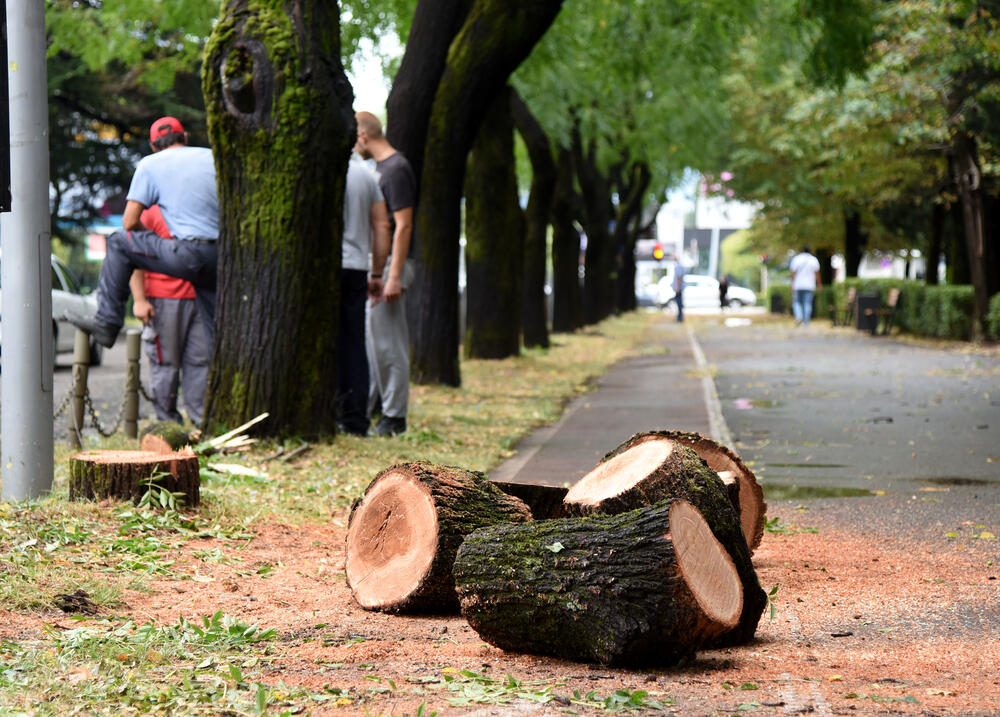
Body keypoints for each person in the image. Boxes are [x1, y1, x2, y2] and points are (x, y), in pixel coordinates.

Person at [66, 116, 219, 348]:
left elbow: (129, 222)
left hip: (189, 254)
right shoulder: (211, 158)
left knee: (118, 242)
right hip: (223, 257)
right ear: (185, 137)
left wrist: (151, 239)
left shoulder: (151, 164)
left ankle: (107, 323)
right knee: (215, 333)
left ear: (153, 146)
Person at [354, 111, 416, 437]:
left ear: (364, 136)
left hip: (393, 264)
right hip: (382, 264)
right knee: (375, 342)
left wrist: (393, 275)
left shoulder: (395, 169)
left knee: (390, 343)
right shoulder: (379, 169)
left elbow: (403, 224)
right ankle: (378, 411)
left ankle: (395, 416)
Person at [131, 205, 209, 425]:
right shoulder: (150, 211)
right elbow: (135, 255)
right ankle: (168, 424)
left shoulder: (196, 206)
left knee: (200, 363)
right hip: (162, 300)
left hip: (199, 297)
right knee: (166, 364)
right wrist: (139, 300)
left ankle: (199, 422)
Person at [338, 157, 391, 436]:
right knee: (354, 343)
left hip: (324, 267)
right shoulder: (366, 174)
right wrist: (377, 272)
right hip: (357, 267)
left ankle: (329, 411)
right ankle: (356, 418)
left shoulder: (317, 165)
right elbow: (382, 226)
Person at [790, 246, 822, 326]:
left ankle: (799, 317)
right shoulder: (813, 260)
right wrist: (819, 285)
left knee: (797, 303)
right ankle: (806, 322)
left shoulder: (796, 259)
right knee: (807, 303)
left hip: (798, 285)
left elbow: (793, 273)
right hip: (809, 285)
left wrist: (792, 284)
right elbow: (817, 274)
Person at [673, 256, 686, 322]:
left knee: (679, 303)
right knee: (679, 303)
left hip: (679, 288)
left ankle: (680, 317)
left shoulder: (678, 266)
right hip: (678, 288)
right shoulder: (678, 266)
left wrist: (677, 287)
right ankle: (679, 317)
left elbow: (679, 277)